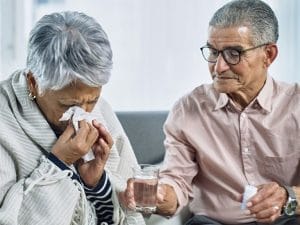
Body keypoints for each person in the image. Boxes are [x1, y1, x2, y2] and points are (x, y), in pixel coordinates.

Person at [122, 0, 300, 224]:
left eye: (234, 53)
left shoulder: (296, 105)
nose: (218, 67)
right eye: (213, 52)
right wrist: (159, 195)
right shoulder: (188, 109)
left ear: (268, 55)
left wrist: (289, 196)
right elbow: (176, 184)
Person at [0, 11, 146, 225]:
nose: (83, 114)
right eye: (69, 105)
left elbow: (132, 213)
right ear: (33, 83)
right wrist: (58, 163)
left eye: (93, 99)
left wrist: (97, 183)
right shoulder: (4, 121)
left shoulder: (100, 109)